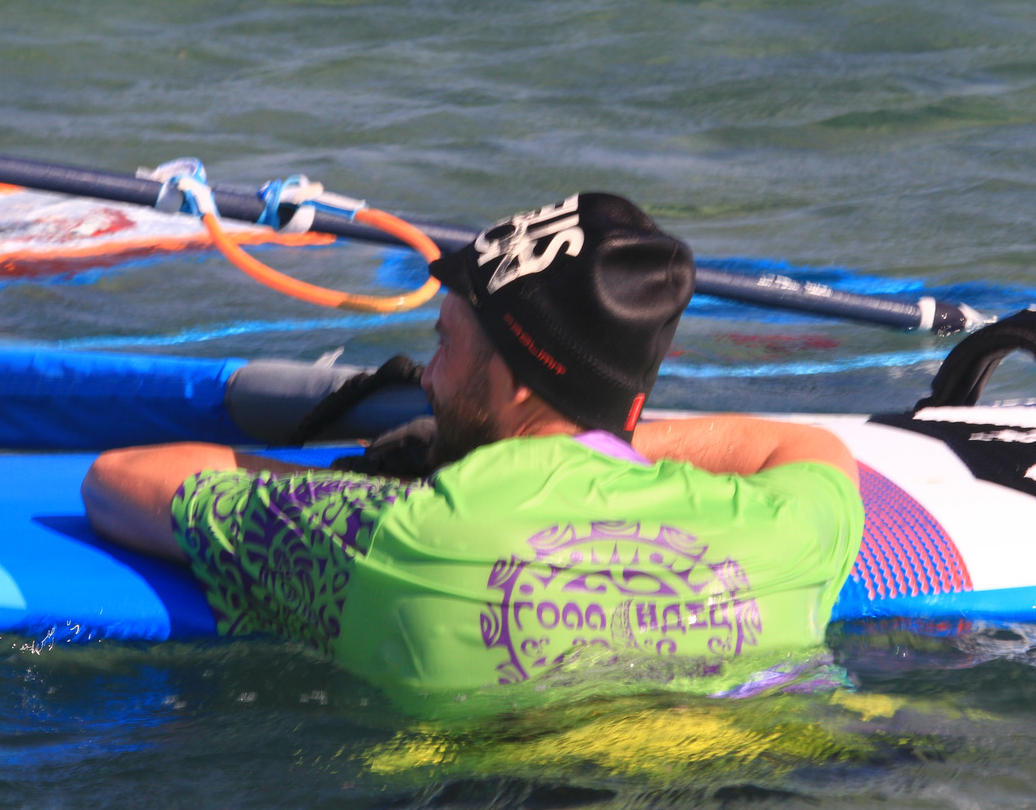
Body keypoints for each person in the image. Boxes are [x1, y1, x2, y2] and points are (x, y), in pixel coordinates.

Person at [83, 193, 863, 703]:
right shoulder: (786, 531)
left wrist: (363, 485)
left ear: (519, 384)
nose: (427, 374)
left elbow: (122, 481)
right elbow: (799, 442)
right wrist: (602, 448)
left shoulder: (397, 533)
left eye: (445, 343)